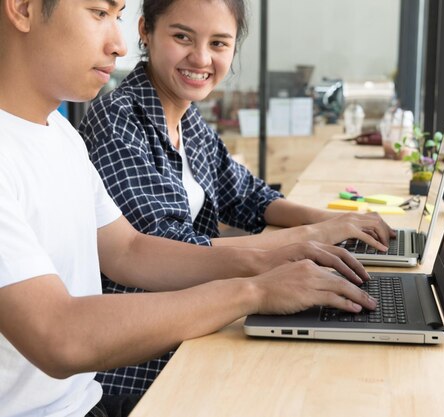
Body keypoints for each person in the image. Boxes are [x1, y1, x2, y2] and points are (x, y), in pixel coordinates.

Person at [0, 0, 377, 415]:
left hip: (87, 402)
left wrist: (274, 260)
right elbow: (60, 336)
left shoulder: (61, 135)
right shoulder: (104, 121)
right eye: (98, 12)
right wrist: (255, 289)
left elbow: (129, 250)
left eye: (117, 16)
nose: (119, 45)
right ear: (23, 8)